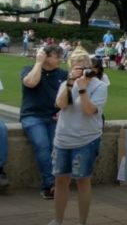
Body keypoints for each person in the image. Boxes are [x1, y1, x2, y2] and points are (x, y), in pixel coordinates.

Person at [51, 55, 107, 225]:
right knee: (60, 180)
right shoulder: (66, 84)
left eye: (84, 67)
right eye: (76, 67)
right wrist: (70, 84)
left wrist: (82, 89)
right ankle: (58, 220)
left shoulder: (100, 86)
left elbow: (89, 110)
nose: (80, 71)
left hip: (86, 140)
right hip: (63, 138)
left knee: (83, 181)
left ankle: (82, 222)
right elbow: (60, 105)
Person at [21, 45, 68, 199]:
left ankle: (56, 184)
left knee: (57, 148)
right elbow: (31, 83)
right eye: (56, 56)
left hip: (54, 117)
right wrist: (38, 63)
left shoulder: (63, 74)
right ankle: (50, 184)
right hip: (33, 116)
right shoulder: (29, 69)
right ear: (45, 56)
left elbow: (69, 97)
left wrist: (63, 110)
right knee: (42, 145)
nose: (60, 59)